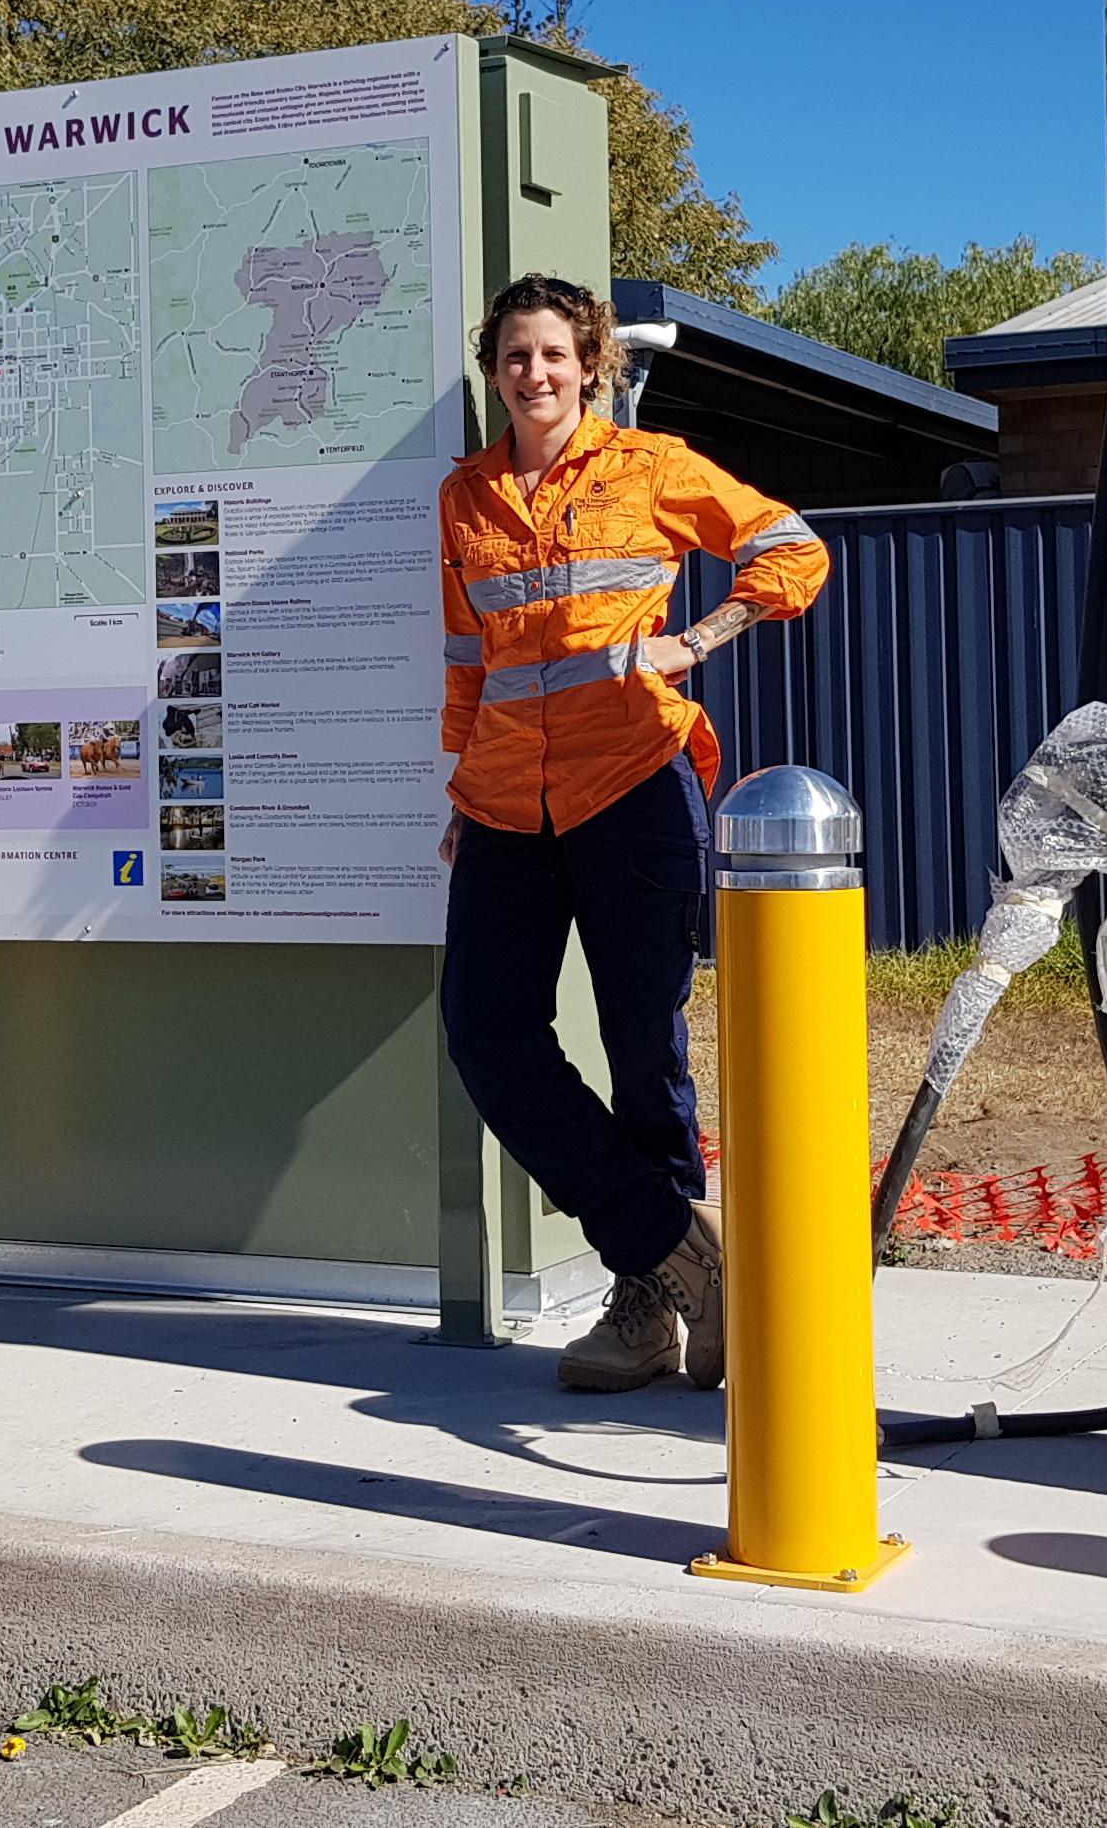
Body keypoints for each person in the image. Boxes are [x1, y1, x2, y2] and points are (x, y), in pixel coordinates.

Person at [437, 274, 829, 1391]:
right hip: (505, 802)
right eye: (516, 356)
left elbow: (792, 549)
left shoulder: (649, 469)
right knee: (487, 1036)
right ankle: (679, 1255)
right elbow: (469, 659)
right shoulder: (464, 497)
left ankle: (648, 1308)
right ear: (495, 370)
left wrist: (699, 637)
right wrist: (462, 788)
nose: (535, 374)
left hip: (636, 785)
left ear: (590, 364)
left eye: (555, 354)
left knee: (641, 1052)